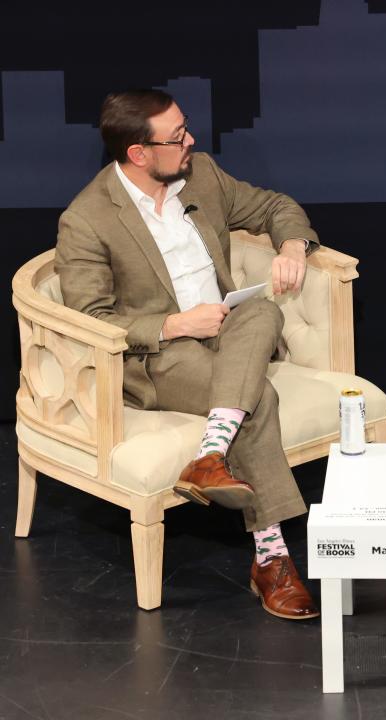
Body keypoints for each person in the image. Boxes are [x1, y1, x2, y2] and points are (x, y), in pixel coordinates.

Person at [56, 89, 321, 620]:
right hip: (161, 356)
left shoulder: (200, 175)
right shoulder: (86, 219)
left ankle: (210, 457)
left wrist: (293, 245)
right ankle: (271, 558)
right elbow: (91, 319)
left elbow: (275, 206)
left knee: (265, 312)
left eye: (186, 128)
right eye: (176, 137)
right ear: (138, 153)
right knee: (258, 398)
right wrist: (175, 323)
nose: (191, 141)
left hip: (228, 328)